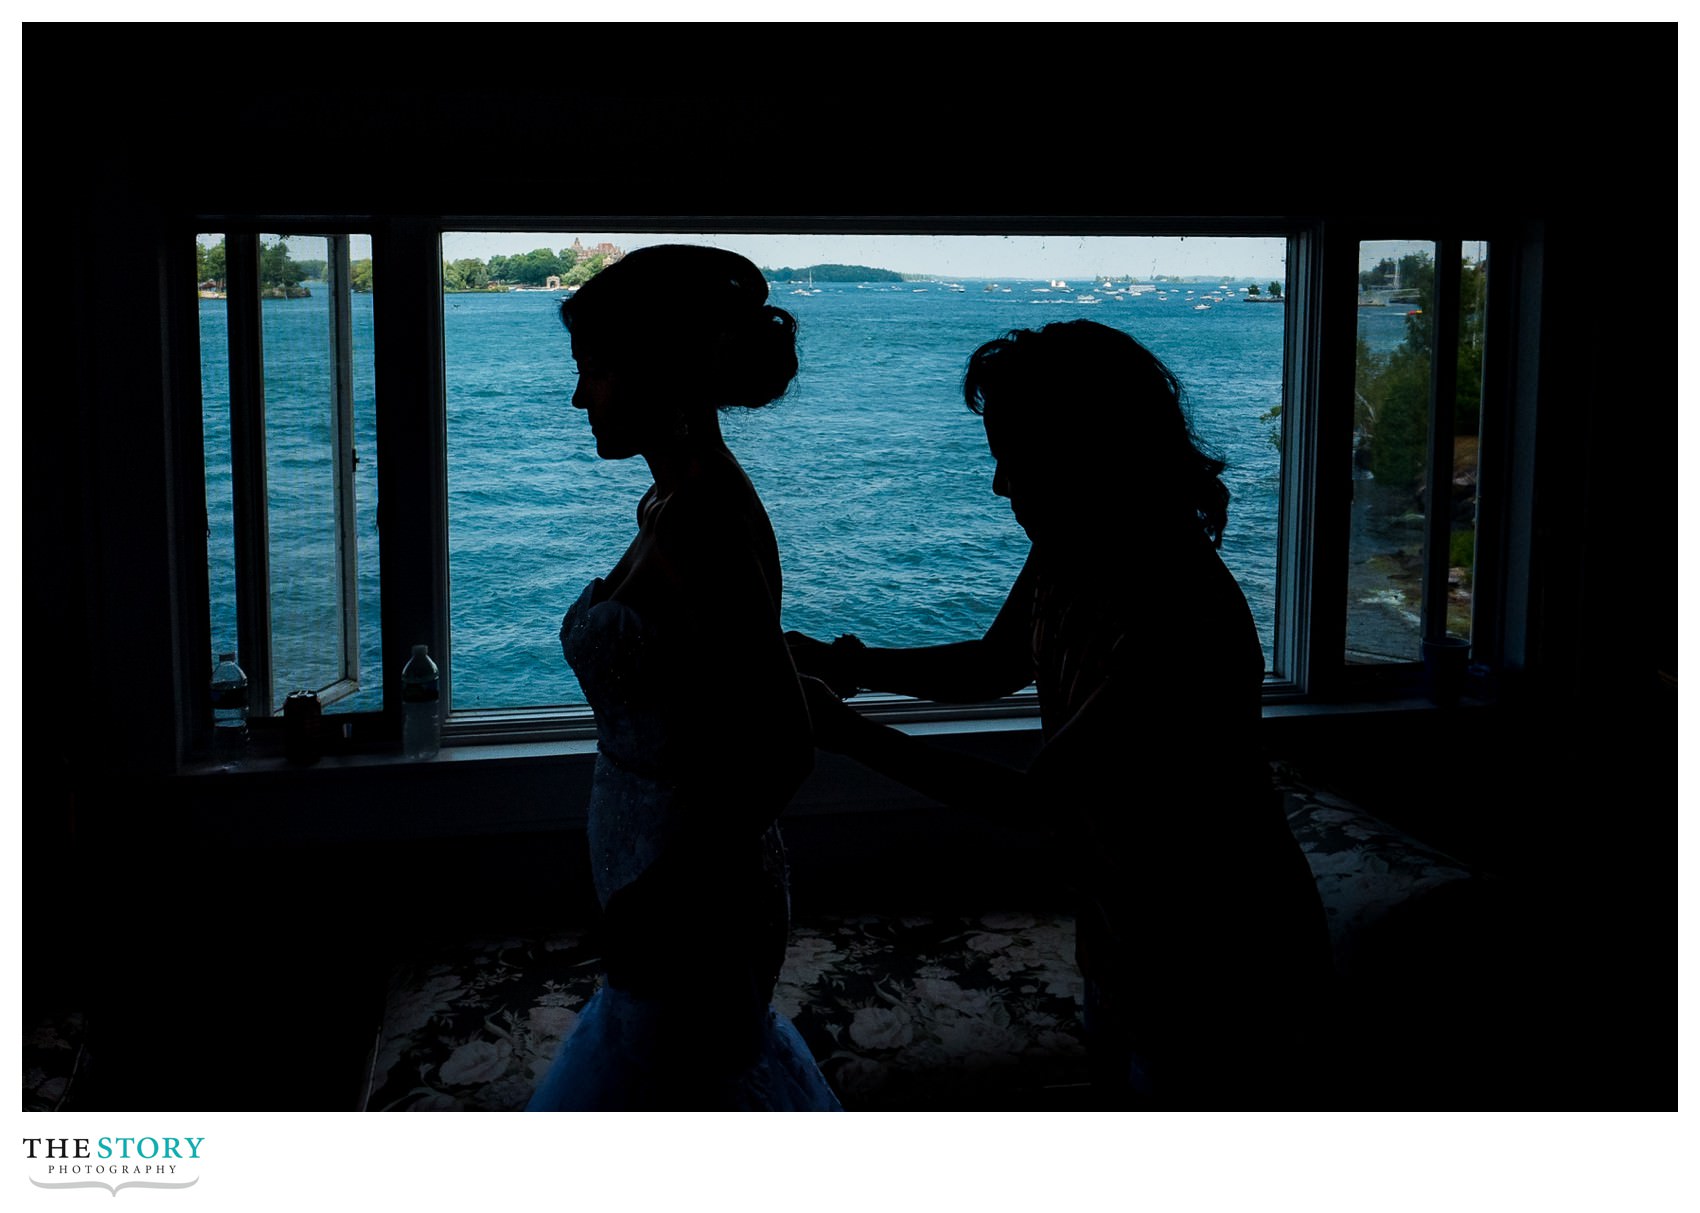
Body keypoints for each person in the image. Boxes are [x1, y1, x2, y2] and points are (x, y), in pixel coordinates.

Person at [788, 318, 1334, 1108]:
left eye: (1016, 457)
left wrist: (842, 730)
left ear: (1090, 451)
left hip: (1226, 966)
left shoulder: (1181, 614)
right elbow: (996, 661)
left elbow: (1040, 798)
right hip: (1127, 941)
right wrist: (847, 664)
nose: (1001, 484)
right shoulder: (1079, 545)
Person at [526, 245, 841, 1111]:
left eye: (595, 369)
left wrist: (662, 898)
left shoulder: (702, 521)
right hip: (661, 869)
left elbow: (783, 744)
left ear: (658, 370)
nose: (580, 395)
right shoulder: (670, 499)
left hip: (691, 903)